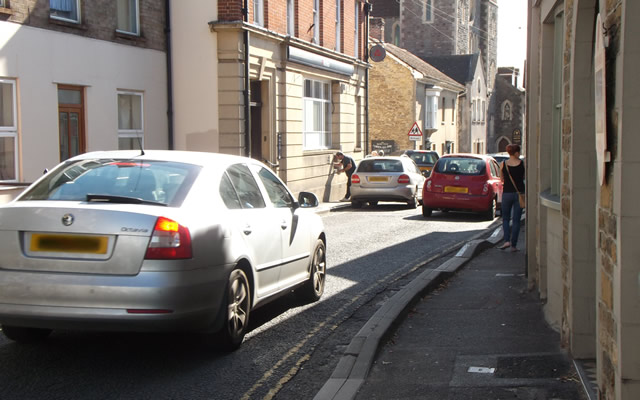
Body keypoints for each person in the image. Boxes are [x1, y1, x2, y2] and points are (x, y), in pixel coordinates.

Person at [499, 144, 525, 251]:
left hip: (507, 193)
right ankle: (513, 245)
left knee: (505, 218)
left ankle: (506, 241)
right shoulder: (522, 163)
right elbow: (524, 176)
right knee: (516, 220)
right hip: (519, 194)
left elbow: (501, 179)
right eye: (518, 152)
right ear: (516, 153)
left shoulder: (503, 164)